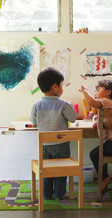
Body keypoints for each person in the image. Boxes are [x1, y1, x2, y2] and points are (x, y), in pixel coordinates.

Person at [30, 67, 78, 200]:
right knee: (61, 170)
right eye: (61, 85)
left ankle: (46, 195)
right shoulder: (63, 104)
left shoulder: (37, 105)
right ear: (55, 87)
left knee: (46, 170)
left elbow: (33, 122)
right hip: (61, 145)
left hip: (44, 145)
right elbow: (73, 118)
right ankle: (59, 194)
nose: (62, 88)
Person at [80, 79, 112, 195]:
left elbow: (91, 102)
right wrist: (98, 122)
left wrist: (84, 91)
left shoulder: (105, 101)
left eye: (98, 90)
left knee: (95, 153)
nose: (96, 93)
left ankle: (104, 178)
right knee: (107, 147)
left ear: (108, 92)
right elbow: (106, 117)